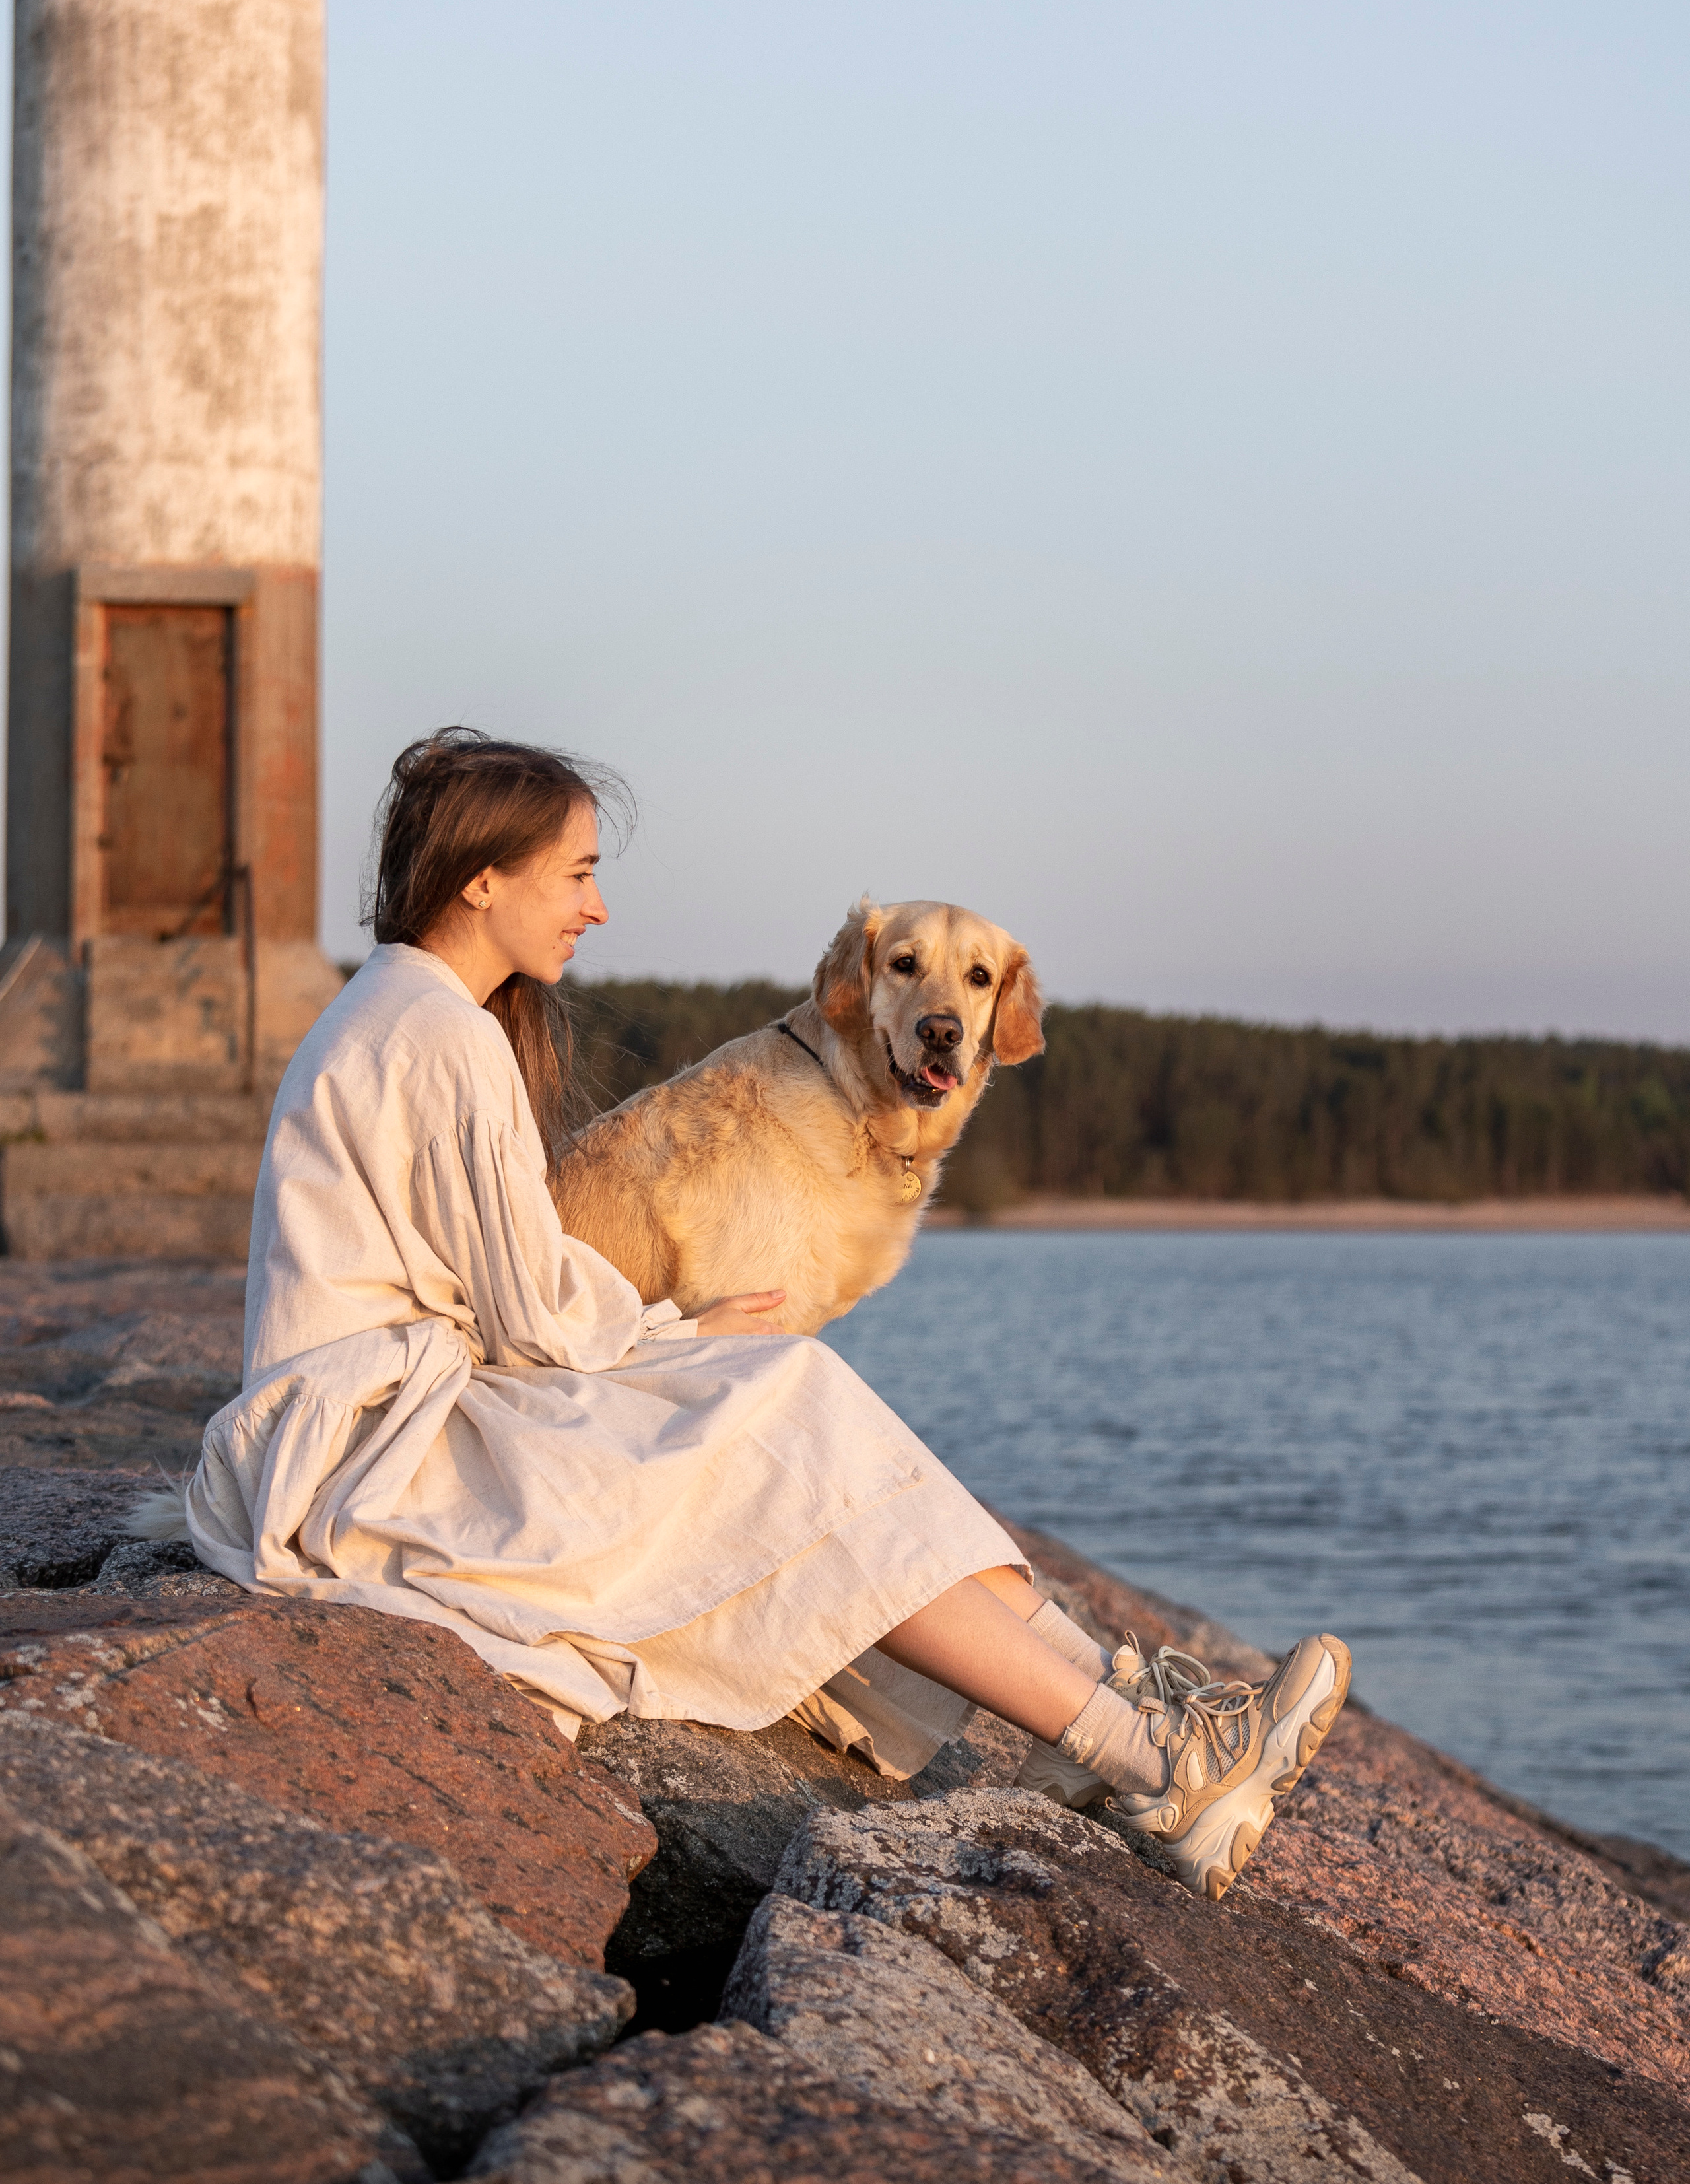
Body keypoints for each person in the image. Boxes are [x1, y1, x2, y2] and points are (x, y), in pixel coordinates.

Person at [180, 730, 1350, 1903]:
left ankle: (1126, 1714)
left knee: (788, 1398)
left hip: (389, 1429)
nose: (596, 908)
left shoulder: (407, 1013)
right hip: (382, 1469)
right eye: (578, 872)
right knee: (779, 1405)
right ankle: (1152, 1758)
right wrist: (688, 1338)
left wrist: (688, 1343)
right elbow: (532, 1316)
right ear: (483, 881)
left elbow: (513, 1300)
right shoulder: (438, 1036)